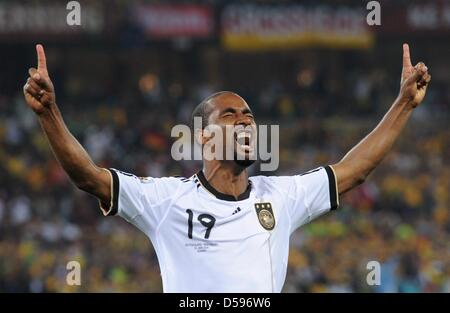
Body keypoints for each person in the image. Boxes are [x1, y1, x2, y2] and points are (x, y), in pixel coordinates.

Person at [22, 44, 431, 292]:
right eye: (231, 114)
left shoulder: (280, 198)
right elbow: (88, 176)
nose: (246, 120)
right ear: (202, 135)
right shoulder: (167, 200)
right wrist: (49, 114)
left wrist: (404, 105)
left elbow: (353, 170)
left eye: (249, 114)